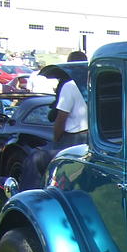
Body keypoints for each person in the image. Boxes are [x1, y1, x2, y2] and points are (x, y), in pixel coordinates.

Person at [18, 50, 88, 190]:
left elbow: (61, 119)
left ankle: (31, 193)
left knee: (35, 158)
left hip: (72, 139)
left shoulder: (69, 86)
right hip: (90, 138)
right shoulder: (92, 83)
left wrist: (56, 139)